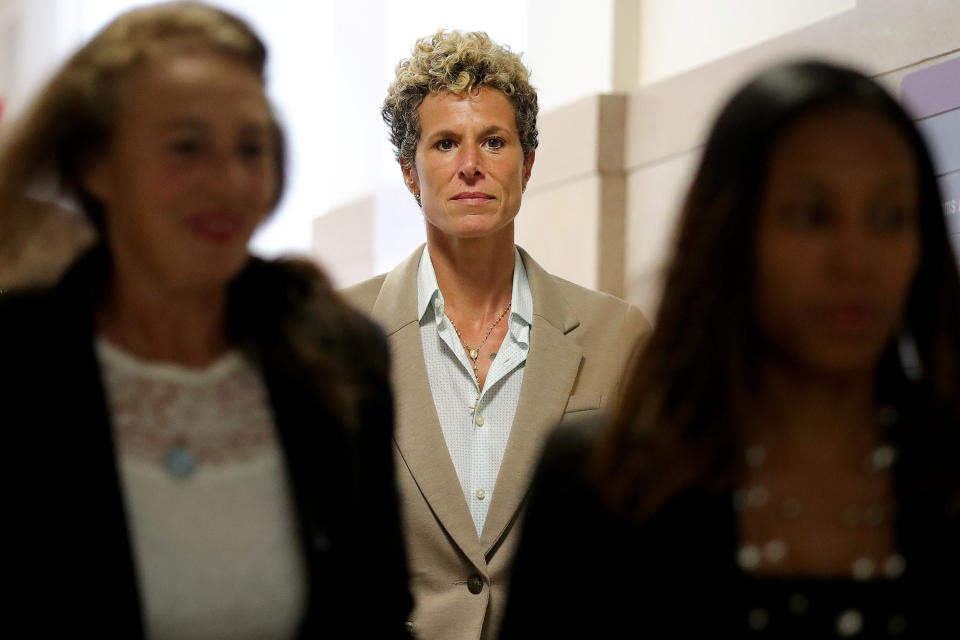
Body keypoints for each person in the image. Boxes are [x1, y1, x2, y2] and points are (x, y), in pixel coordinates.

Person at [500, 61, 960, 638]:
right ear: (731, 234)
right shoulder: (608, 481)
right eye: (811, 216)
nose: (855, 260)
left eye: (890, 217)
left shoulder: (947, 470)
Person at [0, 3, 411, 637]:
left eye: (251, 148)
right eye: (186, 148)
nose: (229, 182)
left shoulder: (341, 359)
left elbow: (375, 615)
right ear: (95, 165)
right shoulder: (19, 361)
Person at [342, 30, 650, 640]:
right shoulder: (341, 335)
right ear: (410, 172)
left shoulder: (619, 335)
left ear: (527, 163)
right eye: (446, 143)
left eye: (494, 141)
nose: (471, 166)